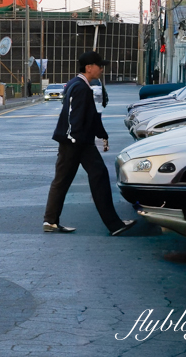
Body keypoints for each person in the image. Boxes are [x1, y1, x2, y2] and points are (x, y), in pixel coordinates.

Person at [43, 51, 136, 236]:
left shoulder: (76, 84)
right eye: (99, 66)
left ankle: (50, 221)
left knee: (64, 180)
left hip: (75, 141)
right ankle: (114, 224)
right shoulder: (80, 88)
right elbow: (74, 116)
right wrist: (74, 139)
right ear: (88, 67)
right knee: (97, 176)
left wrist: (101, 135)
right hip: (77, 142)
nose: (101, 69)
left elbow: (91, 115)